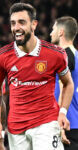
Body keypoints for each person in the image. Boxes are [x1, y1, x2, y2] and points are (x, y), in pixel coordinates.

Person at [0, 3, 74, 150]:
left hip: (46, 123)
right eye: (13, 23)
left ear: (34, 24)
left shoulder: (55, 54)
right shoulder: (2, 57)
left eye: (22, 22)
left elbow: (68, 83)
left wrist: (62, 112)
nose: (16, 28)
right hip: (16, 129)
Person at [50, 16, 78, 150]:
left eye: (53, 29)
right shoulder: (76, 55)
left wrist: (61, 125)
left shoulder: (64, 56)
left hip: (67, 123)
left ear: (61, 32)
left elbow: (63, 88)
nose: (51, 33)